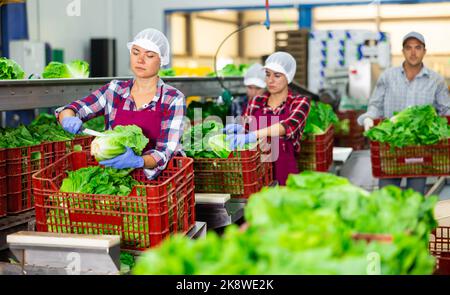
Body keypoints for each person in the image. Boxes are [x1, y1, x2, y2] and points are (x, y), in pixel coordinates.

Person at [56, 28, 186, 179]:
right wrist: (67, 118)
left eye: (149, 55)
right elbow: (74, 109)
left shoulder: (173, 99)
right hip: (117, 177)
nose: (140, 60)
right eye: (136, 52)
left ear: (162, 60)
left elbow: (165, 152)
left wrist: (138, 161)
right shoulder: (115, 90)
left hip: (159, 182)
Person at [357, 31, 450, 194]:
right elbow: (375, 104)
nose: (413, 52)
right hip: (390, 147)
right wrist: (369, 118)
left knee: (415, 199)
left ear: (424, 51)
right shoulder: (388, 76)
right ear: (403, 52)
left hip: (420, 150)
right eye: (408, 48)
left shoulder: (436, 80)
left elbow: (446, 111)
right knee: (387, 197)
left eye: (418, 48)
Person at [224, 52, 311, 185]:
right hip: (257, 175)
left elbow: (288, 127)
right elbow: (246, 128)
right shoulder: (256, 101)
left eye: (277, 75)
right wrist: (241, 128)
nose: (270, 80)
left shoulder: (299, 102)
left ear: (288, 77)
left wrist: (253, 134)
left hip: (286, 175)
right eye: (268, 74)